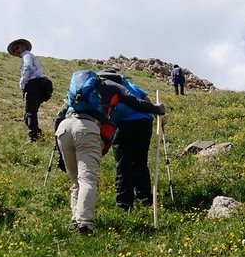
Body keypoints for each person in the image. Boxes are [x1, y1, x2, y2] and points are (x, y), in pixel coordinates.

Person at [54, 70, 166, 234]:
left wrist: (59, 149)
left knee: (76, 182)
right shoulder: (114, 86)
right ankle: (85, 224)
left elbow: (59, 116)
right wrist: (156, 109)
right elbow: (134, 102)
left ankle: (76, 220)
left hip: (64, 128)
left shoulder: (79, 90)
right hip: (87, 129)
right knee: (87, 179)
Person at [98, 68, 154, 211]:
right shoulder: (130, 84)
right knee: (141, 162)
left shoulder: (106, 85)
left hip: (123, 125)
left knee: (123, 165)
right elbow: (147, 99)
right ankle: (145, 199)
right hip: (145, 122)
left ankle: (124, 204)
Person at [7, 38, 53, 142]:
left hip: (33, 86)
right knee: (29, 113)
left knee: (30, 112)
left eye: (17, 48)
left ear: (24, 47)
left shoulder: (27, 56)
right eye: (14, 50)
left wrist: (22, 83)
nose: (16, 51)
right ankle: (37, 133)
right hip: (39, 87)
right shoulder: (30, 57)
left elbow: (27, 68)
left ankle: (34, 136)